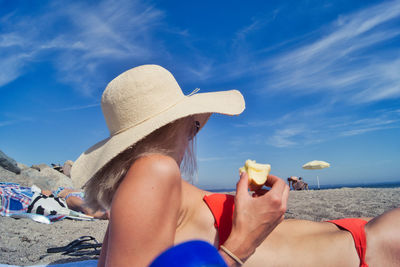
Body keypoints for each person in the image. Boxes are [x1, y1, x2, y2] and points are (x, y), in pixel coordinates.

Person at [71, 65, 400, 267]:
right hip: (367, 248)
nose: (192, 140)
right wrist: (244, 239)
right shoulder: (156, 169)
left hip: (362, 243)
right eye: (194, 127)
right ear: (179, 126)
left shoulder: (133, 196)